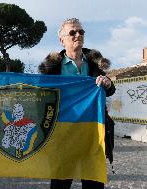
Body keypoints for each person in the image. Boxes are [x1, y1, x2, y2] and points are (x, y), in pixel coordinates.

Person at [38, 18, 116, 189]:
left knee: (94, 183)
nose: (78, 35)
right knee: (60, 183)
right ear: (62, 39)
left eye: (81, 32)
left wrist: (108, 83)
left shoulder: (95, 63)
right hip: (63, 135)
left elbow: (110, 89)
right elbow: (41, 98)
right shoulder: (52, 69)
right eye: (72, 32)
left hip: (93, 134)